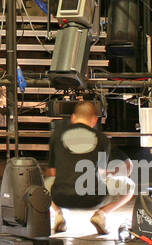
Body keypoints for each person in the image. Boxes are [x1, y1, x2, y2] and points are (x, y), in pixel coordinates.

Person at [43, 98, 135, 235]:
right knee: (130, 186)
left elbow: (52, 172)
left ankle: (58, 214)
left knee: (45, 183)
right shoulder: (102, 139)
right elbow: (101, 173)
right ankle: (101, 214)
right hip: (93, 199)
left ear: (73, 118)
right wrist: (110, 174)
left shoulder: (57, 137)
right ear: (94, 120)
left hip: (62, 197)